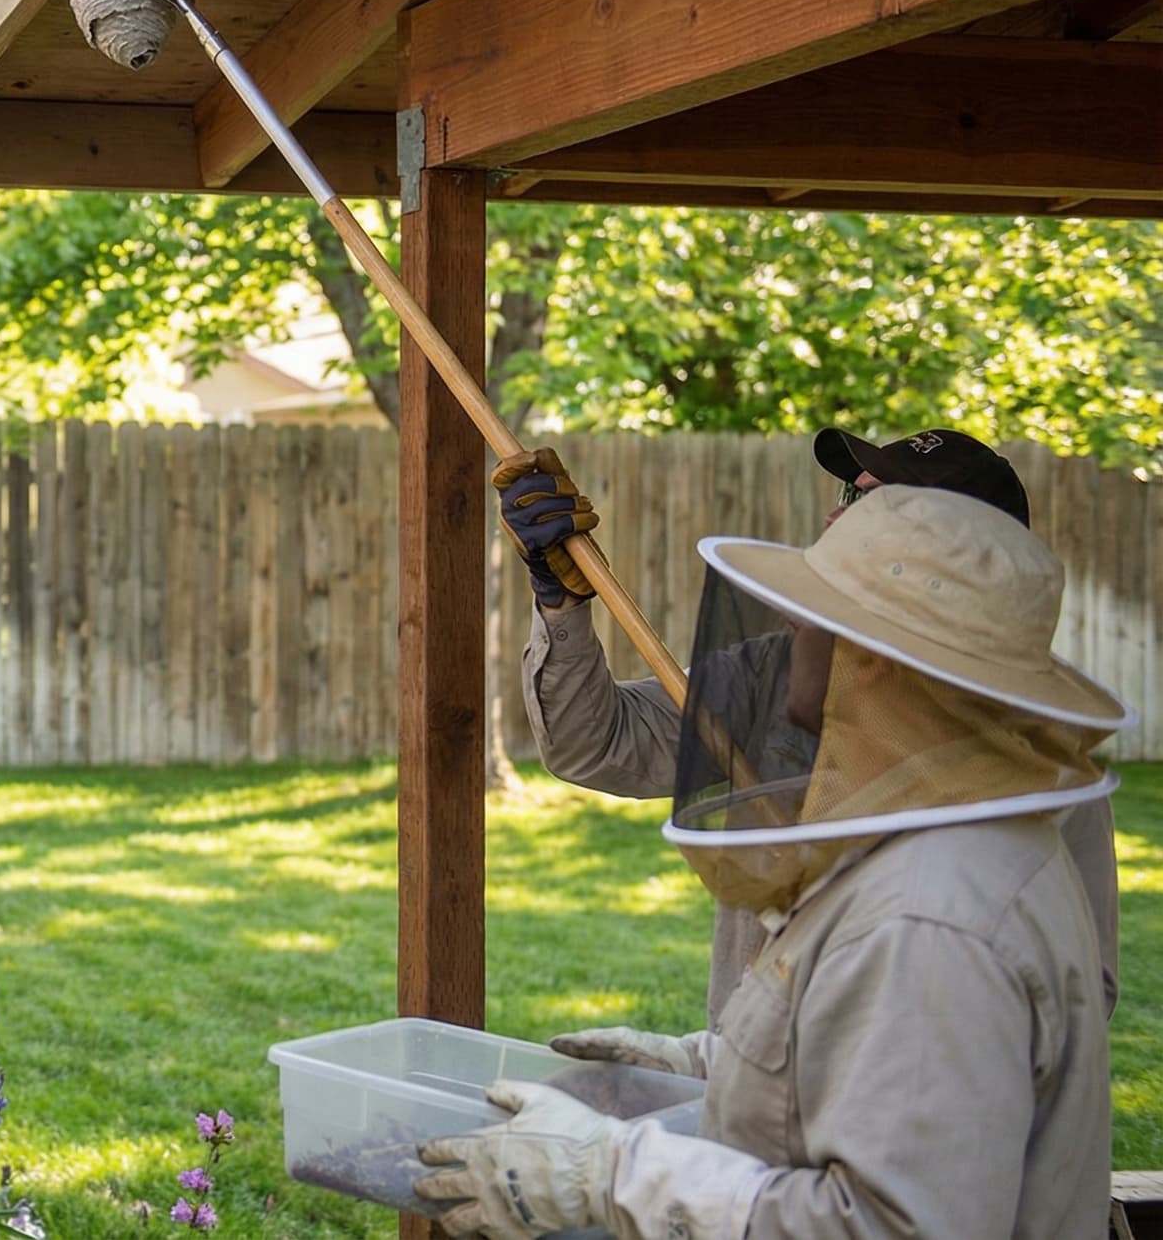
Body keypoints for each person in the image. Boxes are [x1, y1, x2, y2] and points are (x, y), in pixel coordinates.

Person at [414, 485, 1125, 1239]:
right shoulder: (948, 841)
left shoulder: (933, 914)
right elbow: (882, 1063)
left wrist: (616, 1172)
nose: (790, 617)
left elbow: (894, 1224)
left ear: (878, 656)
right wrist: (706, 1064)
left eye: (816, 601)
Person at [494, 426, 1119, 1023]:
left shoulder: (1041, 747)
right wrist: (560, 597)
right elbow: (596, 744)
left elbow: (1080, 985)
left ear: (957, 557)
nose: (833, 519)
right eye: (850, 494)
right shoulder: (777, 669)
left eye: (875, 503)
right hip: (750, 1077)